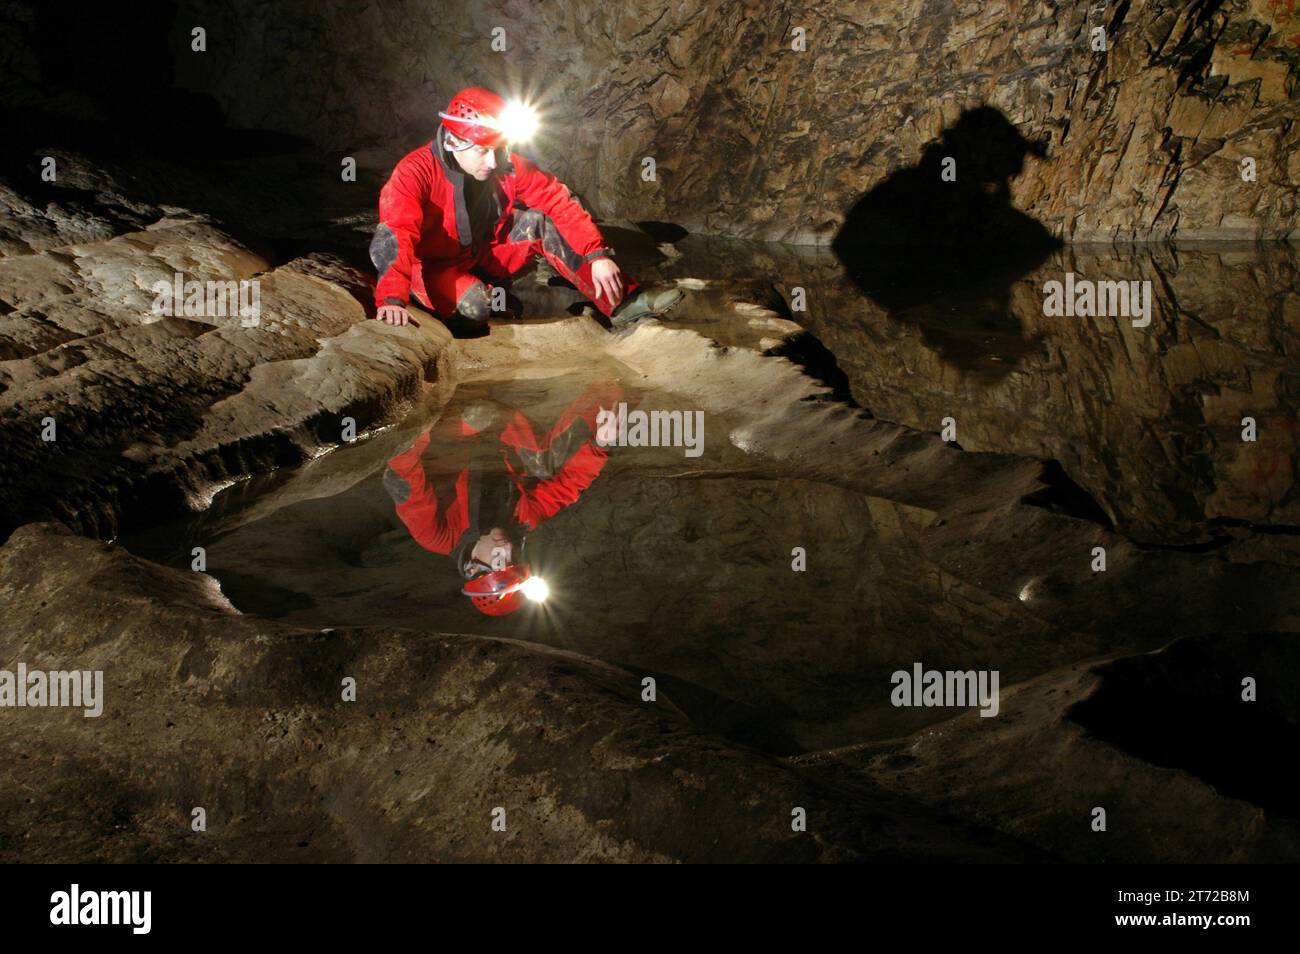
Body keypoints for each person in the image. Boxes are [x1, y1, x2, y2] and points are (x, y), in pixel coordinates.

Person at [370, 86, 683, 330]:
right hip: (436, 266)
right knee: (476, 309)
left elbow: (558, 200)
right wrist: (392, 298)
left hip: (485, 253)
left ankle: (622, 303)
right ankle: (472, 297)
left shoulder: (504, 165)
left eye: (498, 150)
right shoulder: (414, 173)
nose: (493, 163)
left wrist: (596, 254)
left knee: (539, 221)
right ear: (454, 142)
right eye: (482, 152)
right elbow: (396, 233)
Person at [382, 374, 623, 614]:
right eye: (513, 558)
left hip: (448, 438)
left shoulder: (437, 535)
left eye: (499, 560)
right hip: (501, 436)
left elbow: (401, 478)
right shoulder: (522, 522)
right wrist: (600, 445)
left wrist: (424, 425)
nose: (507, 549)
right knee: (546, 465)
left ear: (472, 567)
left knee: (473, 417)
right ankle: (608, 385)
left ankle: (450, 394)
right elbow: (567, 487)